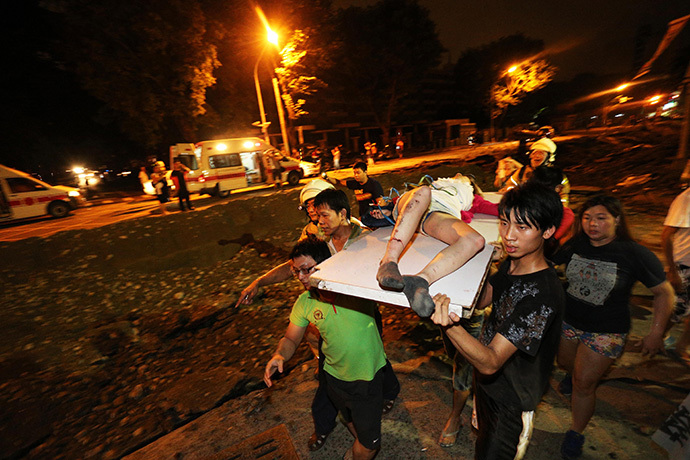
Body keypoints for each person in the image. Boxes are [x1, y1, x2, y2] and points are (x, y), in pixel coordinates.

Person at [430, 182, 565, 459]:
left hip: (512, 401)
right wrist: (482, 264)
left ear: (548, 231)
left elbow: (491, 362)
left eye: (522, 228)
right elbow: (483, 300)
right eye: (504, 223)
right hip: (489, 387)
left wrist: (448, 323)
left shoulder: (543, 295)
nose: (508, 236)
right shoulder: (513, 262)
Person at [552, 194, 675, 459]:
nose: (592, 224)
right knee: (566, 365)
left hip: (607, 330)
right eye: (587, 218)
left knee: (584, 383)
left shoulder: (634, 253)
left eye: (600, 218)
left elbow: (665, 294)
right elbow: (548, 264)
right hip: (569, 322)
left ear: (617, 220)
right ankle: (573, 378)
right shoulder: (576, 244)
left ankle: (575, 432)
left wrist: (656, 332)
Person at [264, 236, 387, 460]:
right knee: (349, 418)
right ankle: (355, 447)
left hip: (367, 380)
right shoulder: (305, 302)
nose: (300, 277)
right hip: (333, 379)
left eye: (306, 270)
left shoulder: (357, 288)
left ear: (326, 264)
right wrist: (280, 354)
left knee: (370, 446)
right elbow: (291, 339)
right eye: (296, 271)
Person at [376, 174, 486, 317]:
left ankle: (419, 281)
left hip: (438, 214)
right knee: (423, 192)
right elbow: (407, 196)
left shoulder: (471, 196)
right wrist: (389, 208)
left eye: (464, 176)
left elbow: (493, 207)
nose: (459, 174)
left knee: (476, 241)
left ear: (471, 184)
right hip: (415, 203)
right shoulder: (437, 183)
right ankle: (388, 262)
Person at [662, 185, 690, 360]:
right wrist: (672, 270)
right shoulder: (686, 198)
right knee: (676, 310)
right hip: (684, 265)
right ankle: (657, 338)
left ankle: (681, 347)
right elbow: (666, 234)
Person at [500, 137, 571, 206]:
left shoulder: (556, 175)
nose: (536, 156)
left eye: (541, 153)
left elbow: (564, 196)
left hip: (547, 211)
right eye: (534, 153)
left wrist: (562, 211)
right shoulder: (522, 172)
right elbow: (510, 186)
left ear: (549, 157)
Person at [324, 161, 384, 227]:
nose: (356, 175)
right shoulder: (355, 184)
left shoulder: (374, 185)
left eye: (358, 173)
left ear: (365, 172)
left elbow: (381, 203)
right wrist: (327, 178)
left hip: (374, 218)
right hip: (363, 218)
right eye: (354, 173)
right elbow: (340, 182)